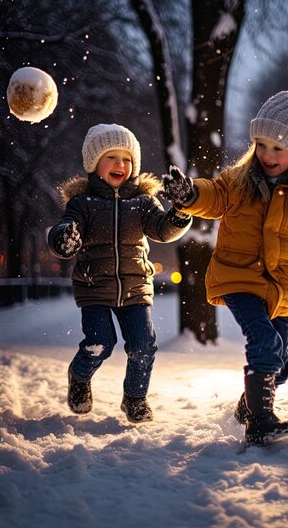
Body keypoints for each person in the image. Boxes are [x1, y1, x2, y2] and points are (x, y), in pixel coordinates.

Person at [162, 77, 288, 447]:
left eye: (277, 146)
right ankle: (261, 422)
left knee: (280, 365)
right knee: (263, 341)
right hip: (238, 279)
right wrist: (189, 194)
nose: (266, 153)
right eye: (261, 144)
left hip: (280, 292)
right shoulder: (238, 182)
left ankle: (248, 407)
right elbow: (212, 197)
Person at [48, 123, 192, 423]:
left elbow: (163, 230)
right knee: (100, 343)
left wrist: (180, 210)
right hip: (94, 287)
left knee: (143, 345)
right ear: (93, 163)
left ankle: (135, 399)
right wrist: (63, 238)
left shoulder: (142, 202)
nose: (120, 164)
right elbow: (63, 232)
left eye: (127, 159)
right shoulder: (82, 204)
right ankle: (79, 376)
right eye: (111, 157)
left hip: (135, 287)